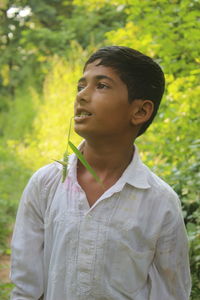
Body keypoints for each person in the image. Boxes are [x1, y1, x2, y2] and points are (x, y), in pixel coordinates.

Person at [10, 46, 191, 300]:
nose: (82, 95)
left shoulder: (160, 202)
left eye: (102, 86)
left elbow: (171, 292)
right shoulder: (47, 184)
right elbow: (26, 288)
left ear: (140, 111)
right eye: (80, 86)